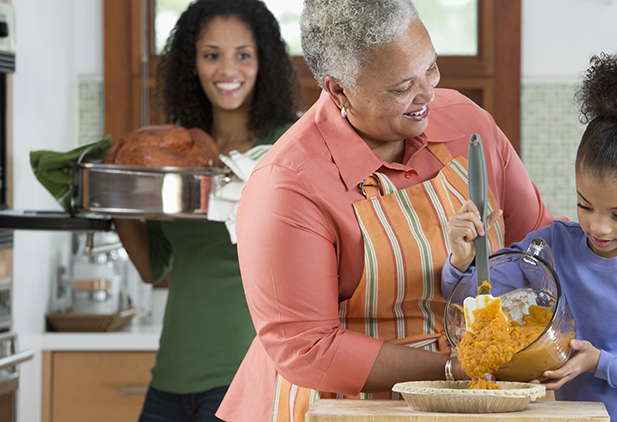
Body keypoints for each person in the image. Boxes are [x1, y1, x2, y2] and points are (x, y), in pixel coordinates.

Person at [214, 0, 555, 420]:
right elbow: (308, 348)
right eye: (401, 88)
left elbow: (538, 244)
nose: (428, 94)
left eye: (430, 67)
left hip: (473, 395)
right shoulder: (287, 184)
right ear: (339, 89)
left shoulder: (467, 122)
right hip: (343, 406)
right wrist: (451, 369)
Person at [441, 49, 617, 421]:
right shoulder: (551, 246)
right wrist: (462, 260)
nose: (598, 226)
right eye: (585, 205)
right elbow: (471, 300)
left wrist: (599, 362)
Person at [113, 0, 299, 421]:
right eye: (211, 55)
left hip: (246, 380)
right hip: (169, 379)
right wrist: (117, 192)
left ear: (263, 62)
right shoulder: (176, 152)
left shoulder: (288, 146)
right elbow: (152, 267)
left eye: (243, 55)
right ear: (192, 64)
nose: (227, 70)